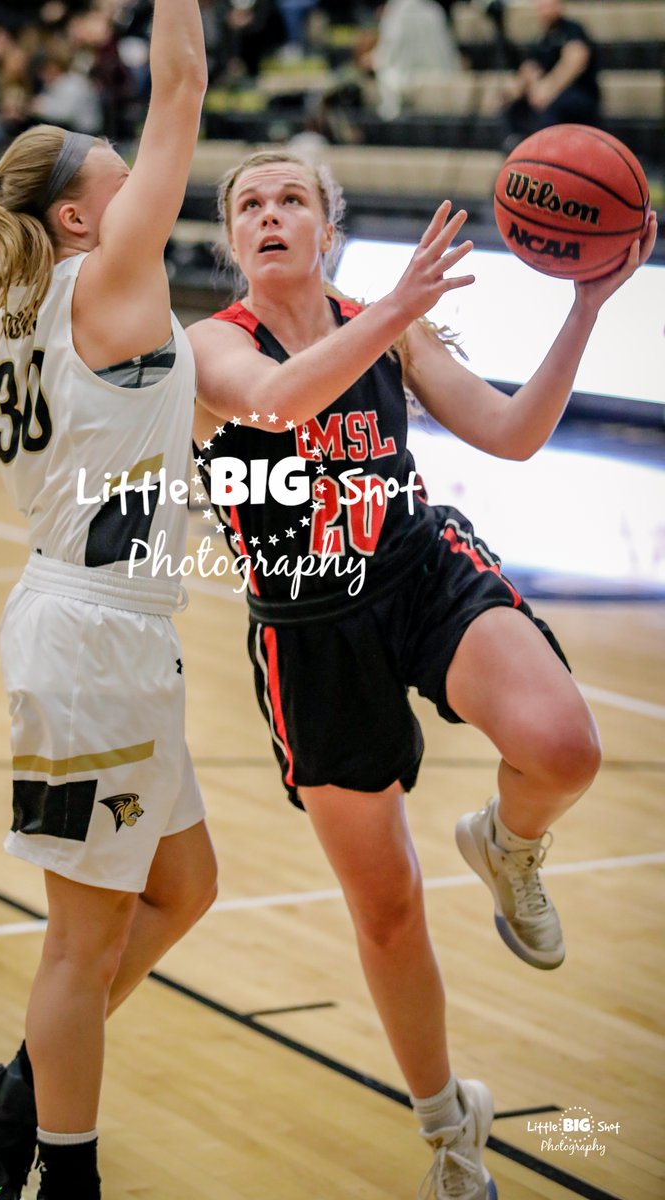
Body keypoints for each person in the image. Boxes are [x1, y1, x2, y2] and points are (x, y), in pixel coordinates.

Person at [186, 148, 657, 1199]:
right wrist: (391, 312)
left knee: (563, 747)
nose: (270, 215)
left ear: (324, 227)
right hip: (307, 626)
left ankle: (507, 843)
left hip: (413, 569)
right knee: (388, 907)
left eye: (291, 200)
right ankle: (447, 1126)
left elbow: (510, 433)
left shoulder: (386, 327)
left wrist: (583, 306)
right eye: (249, 205)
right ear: (232, 241)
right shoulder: (208, 352)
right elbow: (272, 405)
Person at [0, 3, 215, 1199]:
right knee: (82, 943)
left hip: (107, 629)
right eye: (120, 177)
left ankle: (11, 1092)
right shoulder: (106, 279)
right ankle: (63, 1172)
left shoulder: (20, 305)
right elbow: (181, 84)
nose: (142, 182)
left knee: (185, 888)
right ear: (80, 217)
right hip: (93, 632)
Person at [502, 0, 600, 150]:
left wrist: (549, 89)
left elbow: (576, 59)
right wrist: (519, 87)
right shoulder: (542, 37)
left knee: (552, 106)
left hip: (579, 93)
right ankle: (516, 146)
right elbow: (530, 67)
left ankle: (548, 151)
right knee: (513, 102)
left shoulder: (572, 29)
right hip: (549, 92)